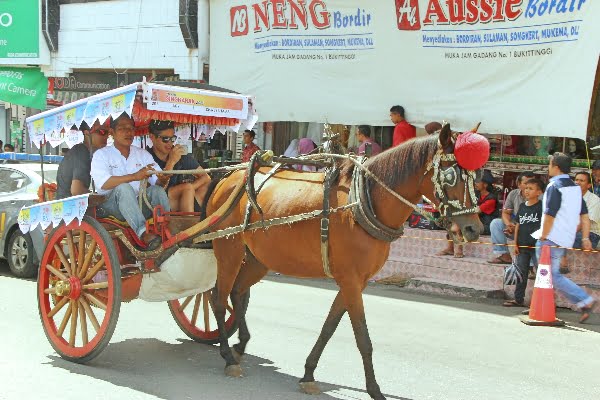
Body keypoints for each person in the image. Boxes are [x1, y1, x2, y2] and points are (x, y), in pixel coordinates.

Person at [91, 113, 170, 249]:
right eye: (122, 128)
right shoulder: (102, 154)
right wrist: (134, 176)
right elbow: (103, 183)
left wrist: (163, 179)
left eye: (131, 128)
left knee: (157, 191)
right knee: (124, 188)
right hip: (110, 207)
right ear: (112, 132)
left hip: (138, 204)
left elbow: (157, 181)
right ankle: (142, 233)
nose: (128, 132)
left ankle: (167, 227)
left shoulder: (142, 154)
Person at [532, 152, 596, 323]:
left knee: (550, 275)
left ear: (556, 167)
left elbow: (549, 215)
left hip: (551, 237)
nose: (548, 167)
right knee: (549, 275)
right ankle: (578, 302)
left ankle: (584, 300)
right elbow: (584, 216)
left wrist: (543, 236)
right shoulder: (575, 188)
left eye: (550, 164)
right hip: (564, 238)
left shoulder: (554, 186)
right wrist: (585, 238)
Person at [147, 120, 211, 213]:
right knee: (186, 188)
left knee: (205, 188)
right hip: (158, 202)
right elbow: (156, 189)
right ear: (152, 137)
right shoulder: (145, 157)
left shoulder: (181, 157)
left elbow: (206, 177)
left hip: (183, 199)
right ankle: (188, 223)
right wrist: (171, 162)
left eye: (172, 138)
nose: (170, 143)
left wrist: (190, 189)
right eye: (165, 139)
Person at [503, 178, 544, 307]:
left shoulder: (541, 206)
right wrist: (515, 243)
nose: (527, 191)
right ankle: (518, 299)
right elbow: (518, 226)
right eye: (526, 188)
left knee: (541, 273)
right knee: (521, 273)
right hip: (522, 245)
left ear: (539, 192)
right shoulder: (522, 206)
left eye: (531, 189)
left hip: (536, 246)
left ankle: (542, 301)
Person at [488, 171, 536, 264]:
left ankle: (530, 266)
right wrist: (508, 224)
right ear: (519, 184)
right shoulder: (513, 194)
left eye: (532, 183)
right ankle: (504, 255)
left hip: (531, 230)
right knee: (496, 224)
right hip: (515, 227)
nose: (528, 187)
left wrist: (518, 228)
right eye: (526, 183)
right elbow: (506, 213)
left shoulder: (539, 196)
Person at [56, 120, 109, 200]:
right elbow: (77, 191)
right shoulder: (82, 152)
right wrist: (102, 198)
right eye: (102, 132)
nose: (106, 136)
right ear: (87, 133)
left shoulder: (80, 151)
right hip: (71, 207)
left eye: (108, 133)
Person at [572, 172, 600, 249]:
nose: (578, 182)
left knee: (570, 239)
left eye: (582, 180)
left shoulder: (595, 200)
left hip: (590, 234)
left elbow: (583, 223)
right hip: (573, 231)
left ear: (589, 185)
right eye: (576, 180)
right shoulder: (570, 197)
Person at [475, 169, 498, 235]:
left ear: (485, 184)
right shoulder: (477, 194)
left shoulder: (492, 199)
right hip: (477, 224)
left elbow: (476, 210)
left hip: (487, 227)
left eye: (478, 181)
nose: (476, 183)